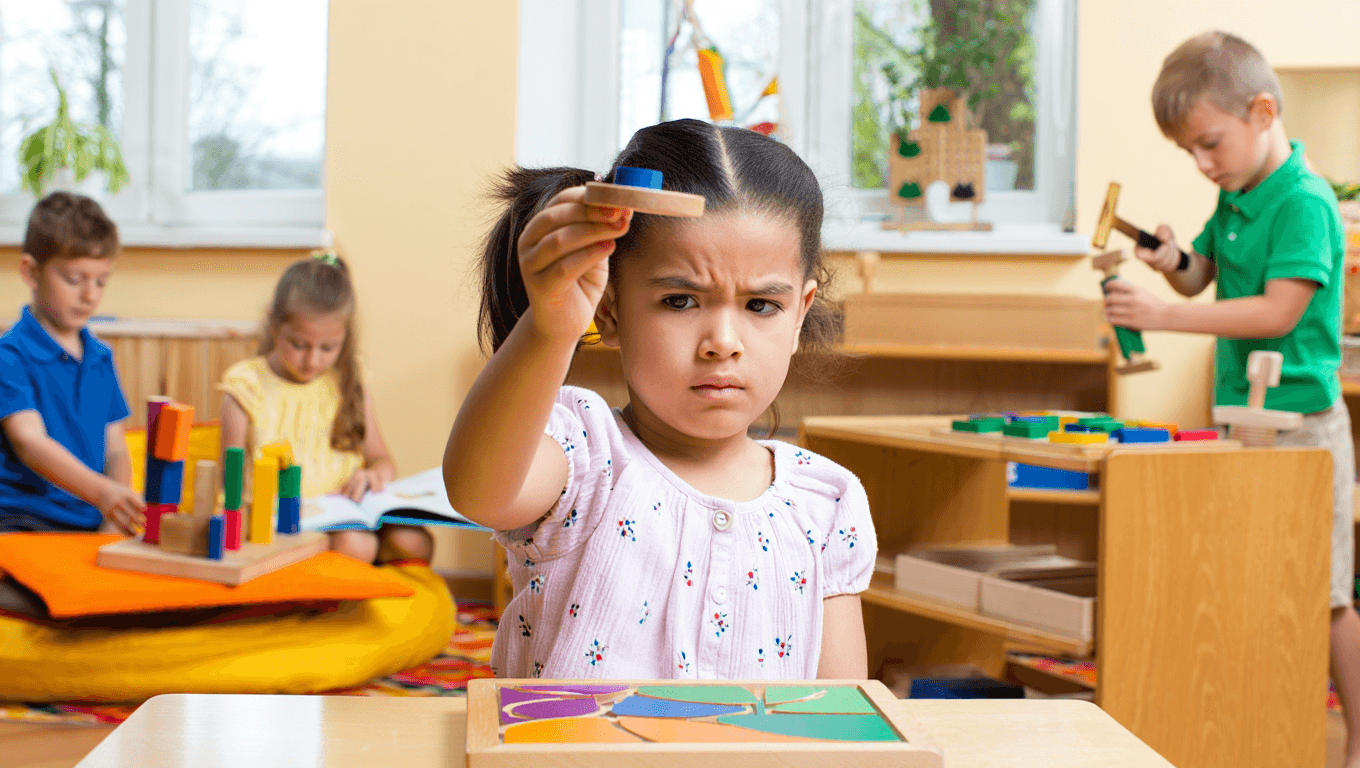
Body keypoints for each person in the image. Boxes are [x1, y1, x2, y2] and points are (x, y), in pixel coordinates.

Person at [444, 118, 876, 679]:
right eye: (679, 301)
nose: (723, 342)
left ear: (801, 314)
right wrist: (550, 328)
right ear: (609, 308)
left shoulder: (826, 503)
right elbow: (480, 493)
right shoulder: (582, 453)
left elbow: (842, 715)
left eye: (761, 306)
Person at [1103, 31, 1360, 766]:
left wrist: (1164, 317)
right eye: (1191, 153)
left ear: (1262, 110)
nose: (1203, 163)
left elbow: (1277, 310)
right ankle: (1252, 719)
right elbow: (1202, 275)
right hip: (1238, 417)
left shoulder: (1305, 202)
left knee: (1326, 590)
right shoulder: (1237, 192)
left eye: (1210, 144)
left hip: (1302, 423)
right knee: (1249, 572)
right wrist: (1171, 260)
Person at [220, 251, 433, 564]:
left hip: (349, 513)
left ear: (345, 338)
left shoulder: (349, 378)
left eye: (328, 348)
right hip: (280, 524)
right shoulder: (246, 386)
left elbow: (383, 460)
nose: (312, 360)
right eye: (299, 345)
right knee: (356, 546)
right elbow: (230, 484)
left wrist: (373, 475)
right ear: (274, 324)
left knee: (415, 542)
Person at [0, 192, 142, 535]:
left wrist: (115, 512)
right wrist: (103, 492)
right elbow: (29, 442)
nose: (90, 295)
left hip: (90, 521)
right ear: (31, 272)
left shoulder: (101, 357)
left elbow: (117, 450)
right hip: (22, 520)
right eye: (74, 279)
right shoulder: (9, 356)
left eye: (100, 280)